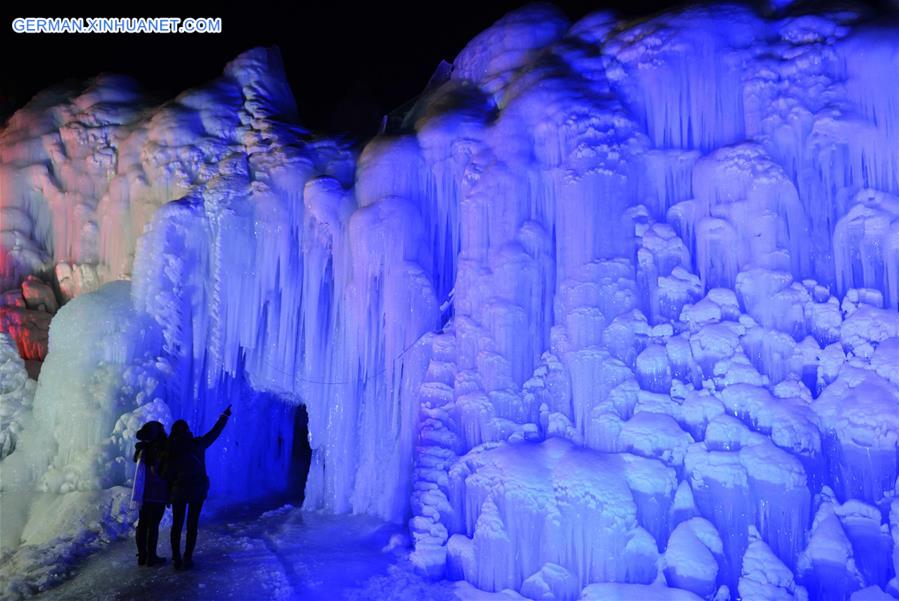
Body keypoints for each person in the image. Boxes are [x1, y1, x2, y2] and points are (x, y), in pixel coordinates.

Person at [162, 405, 232, 570]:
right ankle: (188, 557)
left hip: (178, 492)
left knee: (177, 525)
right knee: (192, 525)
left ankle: (176, 558)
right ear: (186, 430)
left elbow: (166, 474)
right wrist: (224, 416)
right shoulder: (197, 444)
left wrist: (167, 495)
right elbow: (215, 433)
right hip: (196, 491)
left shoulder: (170, 449)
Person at [132, 420, 169, 567]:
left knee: (143, 523)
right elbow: (163, 471)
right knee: (153, 525)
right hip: (158, 491)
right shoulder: (161, 448)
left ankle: (142, 555)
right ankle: (151, 556)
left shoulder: (143, 448)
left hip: (144, 492)